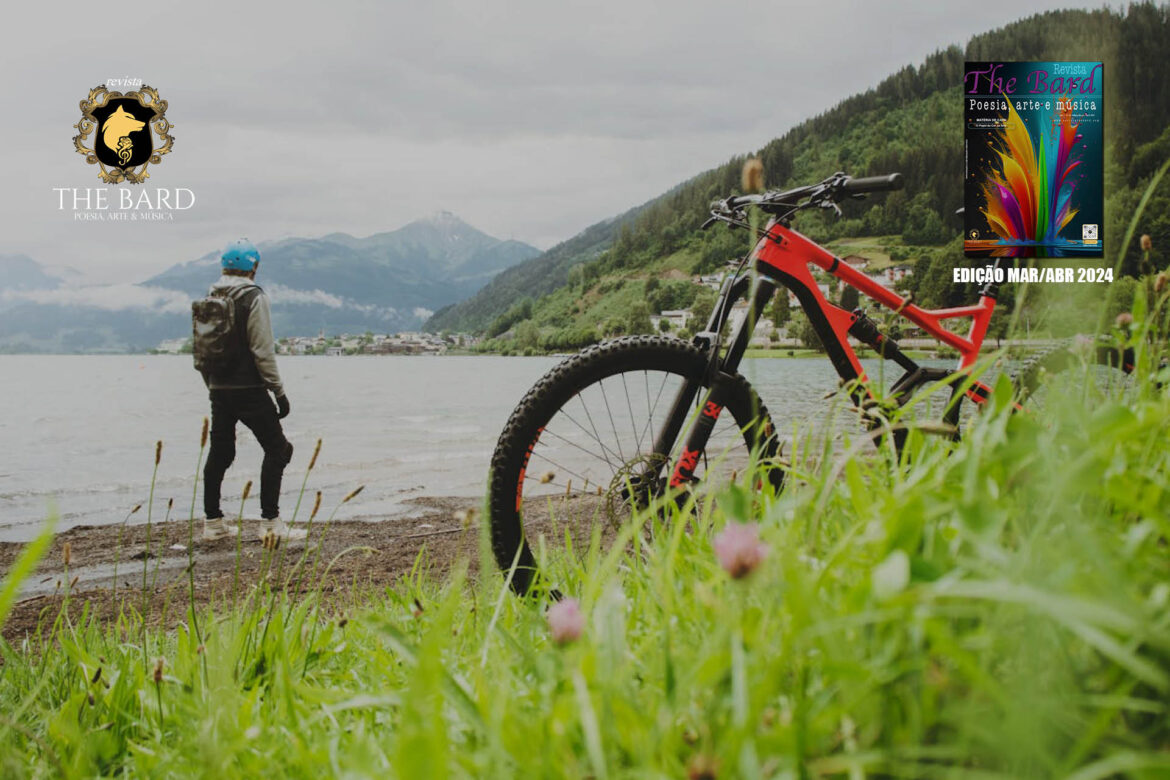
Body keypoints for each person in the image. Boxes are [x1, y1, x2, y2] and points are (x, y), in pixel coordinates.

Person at [200, 239, 306, 541]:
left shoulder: (210, 296)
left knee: (221, 452)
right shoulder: (253, 297)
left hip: (218, 386)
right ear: (254, 268)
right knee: (279, 449)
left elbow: (203, 349)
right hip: (248, 387)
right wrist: (279, 392)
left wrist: (211, 385)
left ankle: (213, 522)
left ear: (224, 267)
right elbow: (262, 350)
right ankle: (270, 524)